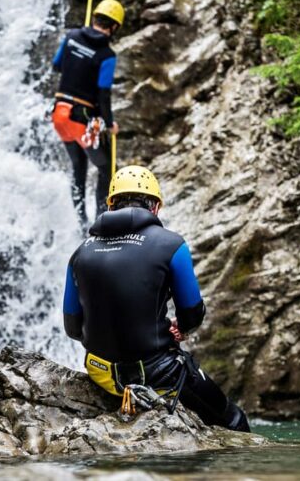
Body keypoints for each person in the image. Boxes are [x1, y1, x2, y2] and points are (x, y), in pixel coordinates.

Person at [62, 166, 250, 431]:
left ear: (112, 205)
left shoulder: (81, 252)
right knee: (233, 418)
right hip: (157, 374)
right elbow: (192, 312)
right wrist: (180, 327)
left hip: (100, 374)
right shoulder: (171, 245)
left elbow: (72, 328)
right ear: (155, 207)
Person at [51, 0, 124, 228]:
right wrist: (110, 124)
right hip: (81, 121)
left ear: (94, 18)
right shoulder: (107, 55)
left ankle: (80, 222)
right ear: (114, 27)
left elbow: (57, 65)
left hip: (59, 116)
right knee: (107, 169)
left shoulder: (72, 36)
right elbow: (103, 95)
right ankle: (99, 223)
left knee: (78, 167)